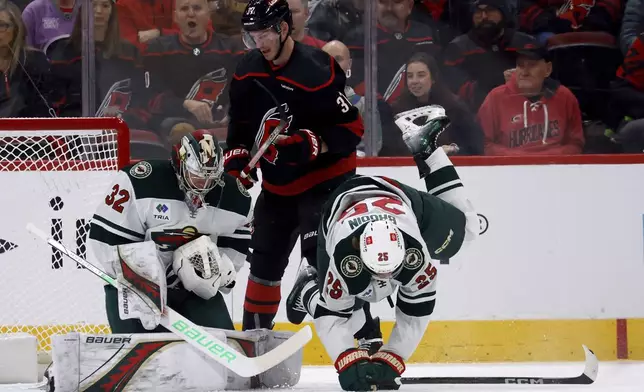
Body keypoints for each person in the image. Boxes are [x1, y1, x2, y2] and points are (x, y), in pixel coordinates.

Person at [286, 105, 480, 391]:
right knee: (348, 315)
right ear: (359, 252)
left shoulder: (415, 255)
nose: (387, 279)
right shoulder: (345, 255)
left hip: (397, 198)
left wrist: (393, 359)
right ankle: (306, 288)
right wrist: (346, 360)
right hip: (338, 214)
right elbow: (332, 318)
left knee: (468, 230)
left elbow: (416, 312)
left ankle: (426, 148)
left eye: (391, 271)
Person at [223, 0, 365, 335]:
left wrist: (314, 144)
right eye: (252, 35)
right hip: (278, 187)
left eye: (264, 33)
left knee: (324, 266)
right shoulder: (247, 70)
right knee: (263, 267)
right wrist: (239, 159)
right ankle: (254, 343)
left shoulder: (317, 69)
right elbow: (240, 126)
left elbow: (353, 129)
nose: (258, 42)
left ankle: (364, 338)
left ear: (284, 29)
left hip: (326, 182)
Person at [88, 129, 252, 333]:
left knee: (221, 342)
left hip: (193, 291)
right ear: (180, 163)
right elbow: (107, 240)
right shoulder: (141, 181)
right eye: (197, 175)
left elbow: (236, 247)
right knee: (140, 352)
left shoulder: (233, 196)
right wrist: (146, 279)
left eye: (211, 177)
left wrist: (217, 271)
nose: (204, 183)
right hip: (137, 286)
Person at [477, 45, 584, 155]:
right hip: (510, 168)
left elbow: (575, 143)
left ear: (548, 69)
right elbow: (484, 145)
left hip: (555, 167)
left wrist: (548, 159)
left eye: (532, 65)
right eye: (520, 65)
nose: (524, 72)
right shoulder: (496, 97)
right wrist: (519, 159)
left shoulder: (565, 97)